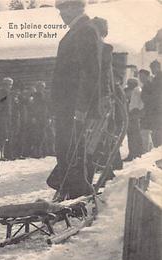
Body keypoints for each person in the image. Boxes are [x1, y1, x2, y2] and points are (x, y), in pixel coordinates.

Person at [47, 0, 102, 200]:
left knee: (71, 149)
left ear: (76, 7)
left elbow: (90, 72)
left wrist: (81, 107)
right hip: (67, 105)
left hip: (73, 106)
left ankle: (78, 193)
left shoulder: (85, 30)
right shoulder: (77, 31)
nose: (61, 14)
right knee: (68, 149)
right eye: (60, 10)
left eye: (64, 9)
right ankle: (72, 190)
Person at [0, 77, 14, 160]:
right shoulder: (2, 95)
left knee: (7, 135)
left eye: (10, 85)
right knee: (3, 136)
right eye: (7, 84)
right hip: (3, 118)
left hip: (9, 117)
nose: (9, 86)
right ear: (4, 85)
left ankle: (6, 154)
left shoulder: (9, 94)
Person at [124, 78, 144, 161]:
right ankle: (132, 153)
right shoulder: (127, 90)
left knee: (135, 134)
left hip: (134, 114)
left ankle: (138, 153)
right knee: (130, 135)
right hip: (128, 114)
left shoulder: (138, 91)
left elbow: (139, 103)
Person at [147, 60, 162, 147]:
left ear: (157, 67)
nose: (151, 70)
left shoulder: (158, 78)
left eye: (152, 68)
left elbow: (155, 94)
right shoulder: (156, 77)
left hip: (158, 110)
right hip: (157, 109)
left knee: (157, 134)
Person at [139, 69, 154, 152]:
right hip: (146, 112)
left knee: (145, 132)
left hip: (148, 113)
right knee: (146, 133)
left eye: (143, 76)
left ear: (147, 76)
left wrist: (144, 109)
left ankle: (146, 152)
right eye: (140, 76)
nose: (141, 78)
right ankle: (149, 151)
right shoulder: (145, 86)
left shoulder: (148, 86)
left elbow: (151, 100)